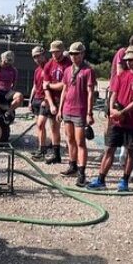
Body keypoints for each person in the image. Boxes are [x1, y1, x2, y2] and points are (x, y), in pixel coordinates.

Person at [89, 48, 133, 191]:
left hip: (132, 121)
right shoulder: (122, 75)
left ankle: (124, 181)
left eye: (131, 60)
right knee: (109, 149)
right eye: (126, 60)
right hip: (116, 120)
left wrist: (122, 112)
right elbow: (113, 93)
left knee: (130, 151)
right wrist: (112, 109)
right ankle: (101, 179)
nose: (128, 62)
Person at [58, 42, 96, 187]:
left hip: (80, 110)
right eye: (72, 54)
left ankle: (81, 172)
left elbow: (91, 92)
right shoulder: (67, 70)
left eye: (76, 54)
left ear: (82, 54)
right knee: (69, 139)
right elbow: (65, 89)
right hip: (68, 109)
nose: (73, 56)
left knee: (80, 142)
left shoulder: (88, 71)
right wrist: (61, 108)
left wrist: (89, 113)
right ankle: (72, 165)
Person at [39, 40, 69, 165]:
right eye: (52, 52)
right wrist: (51, 104)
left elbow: (64, 85)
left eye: (56, 52)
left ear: (61, 51)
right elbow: (45, 86)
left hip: (65, 99)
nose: (54, 54)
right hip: (52, 99)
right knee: (53, 128)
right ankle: (56, 155)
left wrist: (51, 85)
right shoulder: (49, 65)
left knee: (68, 130)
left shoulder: (67, 64)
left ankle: (73, 156)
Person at [28, 46, 51, 159]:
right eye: (34, 57)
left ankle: (43, 150)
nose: (36, 59)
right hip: (36, 99)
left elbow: (50, 85)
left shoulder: (49, 67)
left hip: (44, 99)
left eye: (38, 56)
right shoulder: (37, 70)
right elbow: (34, 86)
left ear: (43, 54)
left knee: (40, 124)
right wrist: (30, 101)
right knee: (40, 127)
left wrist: (47, 100)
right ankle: (41, 148)